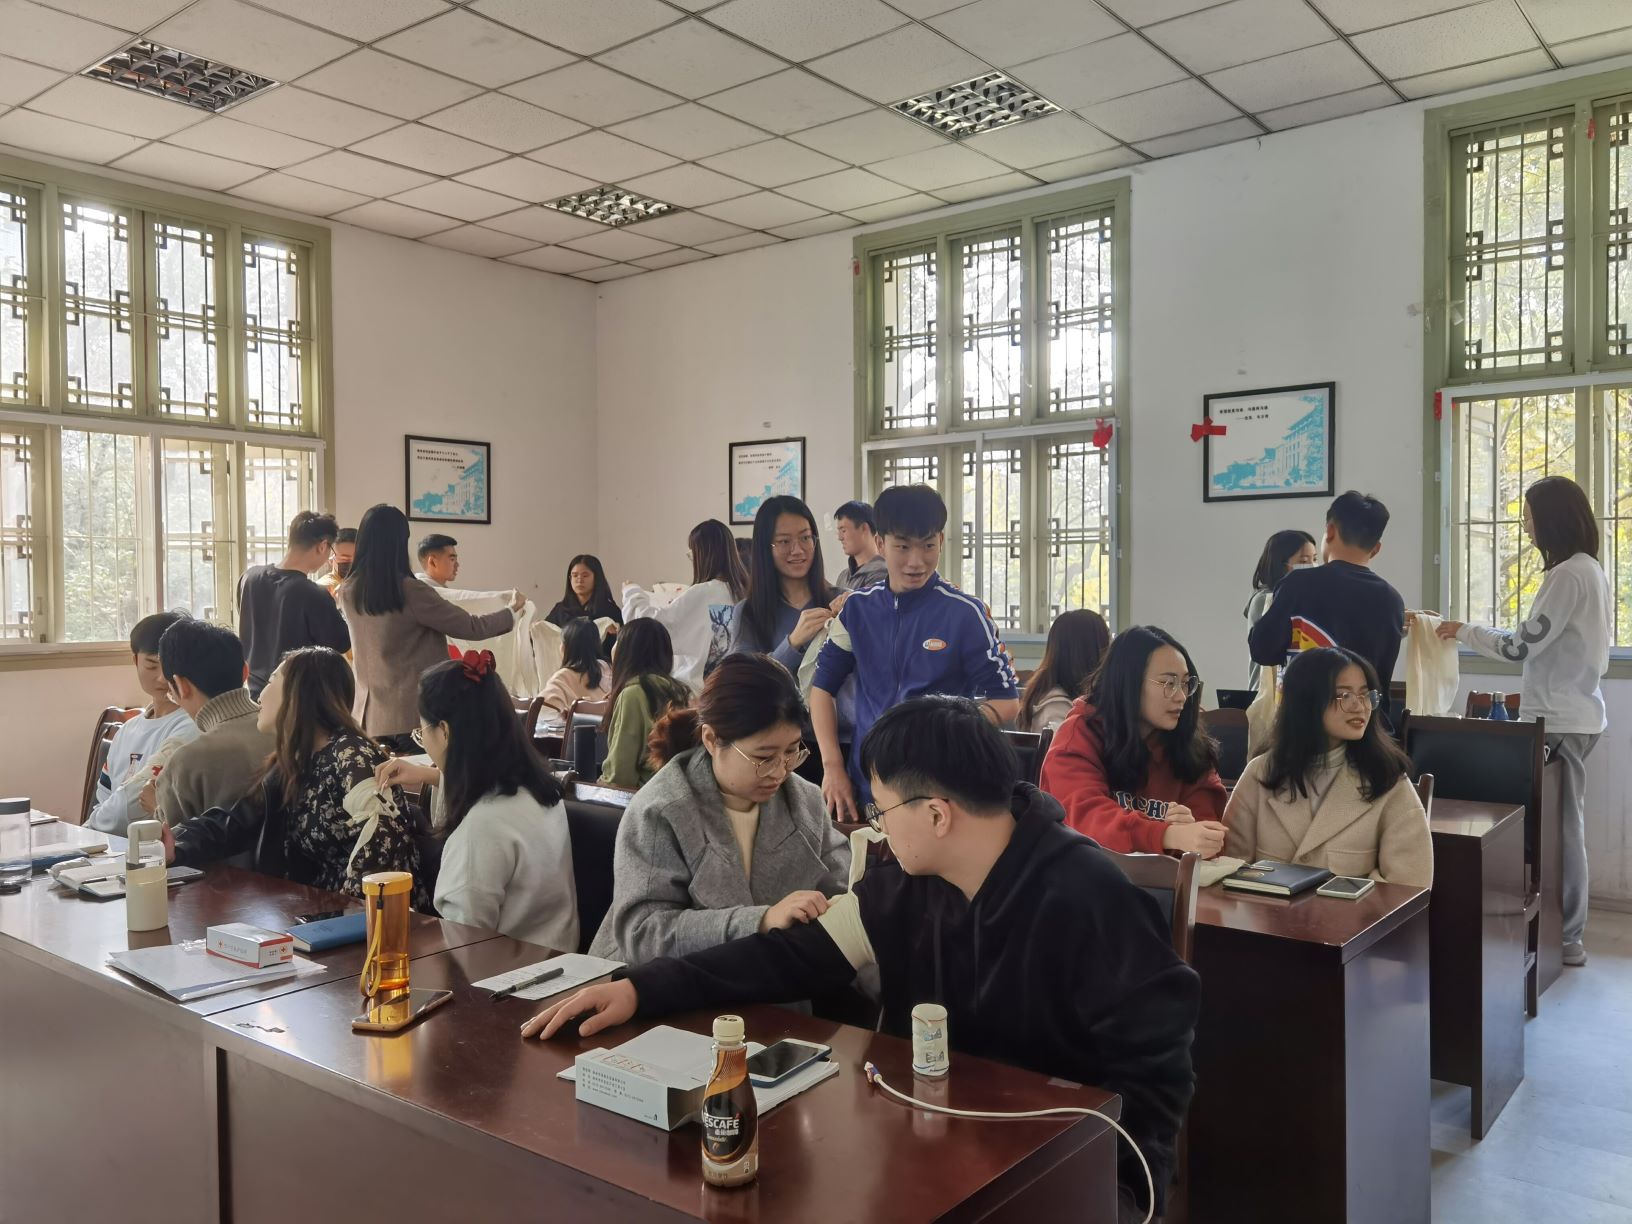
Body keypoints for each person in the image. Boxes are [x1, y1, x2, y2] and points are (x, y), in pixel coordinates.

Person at [525, 696, 1200, 1223]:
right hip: (925, 1154)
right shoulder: (903, 887)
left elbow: (1153, 1077)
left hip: (1046, 1170)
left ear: (937, 814)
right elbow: (785, 959)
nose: (874, 827)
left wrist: (1115, 1198)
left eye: (882, 808)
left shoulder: (1092, 898)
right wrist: (640, 989)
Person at [1424, 476, 1611, 965]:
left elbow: (1518, 647)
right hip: (1574, 715)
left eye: (1528, 517)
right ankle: (1559, 935)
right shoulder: (1589, 569)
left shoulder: (1567, 576)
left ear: (1551, 519)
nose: (1525, 526)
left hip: (1559, 720)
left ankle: (1566, 938)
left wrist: (1463, 630)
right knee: (1561, 828)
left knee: (1560, 832)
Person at [589, 653, 849, 964]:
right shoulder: (663, 809)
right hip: (656, 984)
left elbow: (843, 896)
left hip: (768, 982)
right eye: (764, 757)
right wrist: (760, 921)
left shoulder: (804, 802)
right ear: (712, 739)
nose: (780, 772)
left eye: (792, 751)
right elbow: (643, 934)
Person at [810, 484, 1018, 817]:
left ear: (941, 541)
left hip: (941, 790)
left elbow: (1006, 701)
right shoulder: (857, 610)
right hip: (868, 788)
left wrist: (945, 730)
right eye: (903, 546)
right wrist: (832, 767)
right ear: (880, 543)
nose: (916, 561)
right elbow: (822, 688)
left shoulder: (965, 614)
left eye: (928, 545)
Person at [166, 647, 427, 907]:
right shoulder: (295, 761)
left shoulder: (352, 754)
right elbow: (235, 821)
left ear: (298, 693)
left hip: (372, 917)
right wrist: (174, 845)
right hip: (312, 910)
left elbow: (381, 847)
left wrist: (341, 918)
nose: (260, 696)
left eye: (271, 682)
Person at [376, 650, 578, 948]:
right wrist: (432, 776)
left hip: (504, 972)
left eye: (422, 732)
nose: (424, 741)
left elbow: (463, 944)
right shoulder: (540, 794)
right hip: (558, 960)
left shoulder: (481, 829)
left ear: (444, 731)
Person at [1223, 647, 1433, 888]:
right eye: (1344, 696)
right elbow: (1230, 869)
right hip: (1264, 912)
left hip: (1355, 914)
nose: (1360, 706)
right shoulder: (1261, 772)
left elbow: (1409, 886)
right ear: (1307, 701)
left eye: (1365, 695)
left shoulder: (1387, 779)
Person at [339, 504, 521, 746]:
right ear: (400, 542)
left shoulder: (347, 591)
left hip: (368, 717)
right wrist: (511, 612)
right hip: (414, 717)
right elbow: (471, 627)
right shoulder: (411, 591)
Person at [1039, 626, 1228, 858]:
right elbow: (1086, 819)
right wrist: (1166, 834)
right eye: (1168, 683)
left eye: (1186, 684)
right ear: (1128, 683)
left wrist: (1192, 833)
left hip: (1165, 879)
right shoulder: (1079, 735)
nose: (1181, 696)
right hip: (1082, 874)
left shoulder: (1189, 744)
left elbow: (1208, 832)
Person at [1248, 491, 1406, 689]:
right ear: (1376, 549)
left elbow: (1262, 651)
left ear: (1330, 531)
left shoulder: (1298, 584)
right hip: (1365, 708)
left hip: (1307, 707)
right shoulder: (1392, 599)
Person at [142, 618, 274, 828]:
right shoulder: (290, 729)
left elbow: (173, 840)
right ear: (245, 672)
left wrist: (157, 807)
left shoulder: (188, 761)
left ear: (180, 686)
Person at [86, 611, 200, 835]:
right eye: (151, 665)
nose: (162, 677)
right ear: (135, 661)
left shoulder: (191, 726)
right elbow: (103, 799)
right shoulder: (126, 730)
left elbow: (130, 807)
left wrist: (90, 829)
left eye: (170, 666)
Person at [622, 519, 748, 694]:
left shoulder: (704, 592)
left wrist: (632, 592)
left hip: (695, 693)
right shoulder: (742, 593)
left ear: (703, 555)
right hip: (730, 690)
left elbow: (650, 628)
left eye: (692, 554)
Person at [236, 510, 350, 699]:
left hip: (254, 692)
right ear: (322, 546)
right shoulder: (314, 594)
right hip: (297, 697)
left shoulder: (249, 577)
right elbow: (340, 643)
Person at [728, 495, 836, 675]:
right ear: (765, 548)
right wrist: (793, 643)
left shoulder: (840, 600)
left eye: (805, 538)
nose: (798, 550)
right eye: (784, 541)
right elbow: (742, 680)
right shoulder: (748, 613)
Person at [600, 618, 691, 789]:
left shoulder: (633, 695)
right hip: (675, 791)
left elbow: (620, 775)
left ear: (625, 654)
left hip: (641, 795)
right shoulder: (681, 692)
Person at [1243, 529, 1317, 689]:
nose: (1312, 567)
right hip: (1266, 693)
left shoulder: (1301, 599)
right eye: (1304, 561)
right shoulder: (1265, 599)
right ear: (1281, 564)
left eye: (1315, 559)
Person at [1017, 608, 1111, 733]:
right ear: (1090, 652)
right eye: (1107, 644)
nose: (1110, 653)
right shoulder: (1057, 710)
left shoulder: (1077, 696)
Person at [544, 554, 622, 656]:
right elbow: (546, 639)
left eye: (585, 575)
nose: (579, 580)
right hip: (566, 664)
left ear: (596, 578)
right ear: (570, 578)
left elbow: (620, 648)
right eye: (575, 575)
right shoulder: (560, 610)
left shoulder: (610, 611)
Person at [538, 617, 612, 717]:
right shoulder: (610, 671)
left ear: (567, 647)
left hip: (572, 727)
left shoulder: (563, 677)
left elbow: (540, 711)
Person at [833, 499, 886, 592]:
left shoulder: (881, 573)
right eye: (839, 531)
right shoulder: (843, 576)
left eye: (844, 530)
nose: (840, 538)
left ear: (864, 528)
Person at [317, 526, 356, 597]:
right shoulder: (324, 587)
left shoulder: (368, 584)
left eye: (357, 558)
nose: (352, 562)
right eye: (345, 558)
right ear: (331, 558)